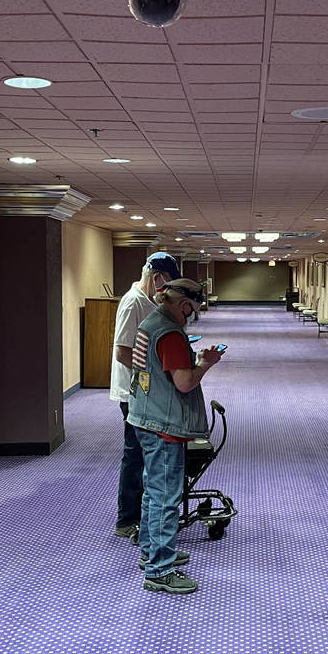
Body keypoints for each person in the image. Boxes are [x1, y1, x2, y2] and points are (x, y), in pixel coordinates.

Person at [127, 278, 224, 594]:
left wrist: (191, 362)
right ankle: (159, 570)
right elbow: (183, 383)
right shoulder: (170, 332)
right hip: (163, 426)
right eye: (193, 309)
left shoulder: (151, 322)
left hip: (145, 416)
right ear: (184, 305)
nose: (192, 315)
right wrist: (204, 365)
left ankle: (152, 553)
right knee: (166, 498)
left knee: (152, 492)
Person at [110, 252, 181, 538]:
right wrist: (153, 372)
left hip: (145, 391)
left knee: (141, 454)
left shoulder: (147, 301)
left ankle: (140, 516)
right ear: (156, 277)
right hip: (134, 392)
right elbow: (122, 351)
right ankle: (127, 520)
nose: (166, 291)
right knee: (135, 455)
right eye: (166, 284)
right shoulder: (132, 303)